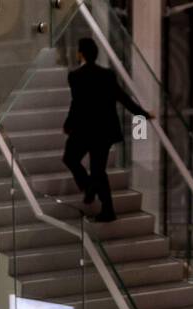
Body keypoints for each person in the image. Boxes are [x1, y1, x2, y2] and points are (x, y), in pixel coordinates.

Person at [63, 37, 150, 224]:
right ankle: (106, 208)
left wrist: (69, 124)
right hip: (104, 131)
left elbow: (77, 105)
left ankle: (89, 187)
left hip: (85, 130)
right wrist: (143, 114)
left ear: (81, 54)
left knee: (70, 158)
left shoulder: (75, 76)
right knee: (98, 170)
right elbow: (123, 98)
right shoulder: (107, 75)